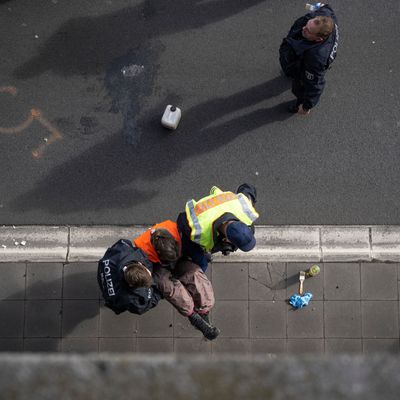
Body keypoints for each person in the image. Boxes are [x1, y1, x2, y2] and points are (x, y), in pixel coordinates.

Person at [134, 221, 220, 340]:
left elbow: (197, 257)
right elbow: (144, 274)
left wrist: (200, 259)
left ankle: (204, 312)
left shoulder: (178, 230)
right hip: (156, 266)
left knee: (195, 276)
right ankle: (193, 316)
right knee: (167, 285)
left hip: (180, 258)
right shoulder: (141, 249)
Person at [177, 183, 259, 272]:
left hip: (216, 205)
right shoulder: (198, 230)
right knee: (202, 265)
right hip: (190, 229)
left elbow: (247, 190)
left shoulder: (244, 206)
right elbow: (181, 220)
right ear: (227, 240)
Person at [279, 3, 339, 115]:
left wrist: (307, 106)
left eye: (308, 31)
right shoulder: (326, 15)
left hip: (302, 69)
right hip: (299, 57)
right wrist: (319, 5)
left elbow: (315, 86)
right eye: (307, 25)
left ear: (318, 39)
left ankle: (299, 105)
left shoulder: (315, 59)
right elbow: (324, 5)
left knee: (301, 89)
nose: (303, 28)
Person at [97, 238, 162, 315]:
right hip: (113, 296)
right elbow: (144, 306)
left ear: (139, 264)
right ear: (131, 285)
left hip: (107, 267)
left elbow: (124, 242)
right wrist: (160, 293)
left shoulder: (122, 250)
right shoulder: (130, 299)